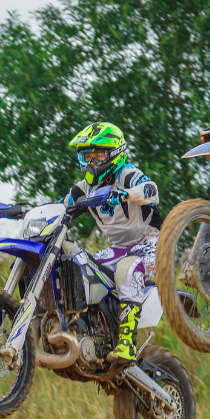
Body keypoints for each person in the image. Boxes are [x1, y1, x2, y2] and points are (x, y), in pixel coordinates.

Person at [63, 122, 163, 365]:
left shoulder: (126, 174)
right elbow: (60, 207)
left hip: (152, 243)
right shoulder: (84, 188)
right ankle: (95, 330)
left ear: (114, 153)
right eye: (86, 157)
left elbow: (152, 190)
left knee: (127, 270)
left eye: (98, 155)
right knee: (80, 266)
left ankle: (127, 342)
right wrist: (28, 214)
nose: (91, 163)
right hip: (118, 249)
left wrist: (127, 194)